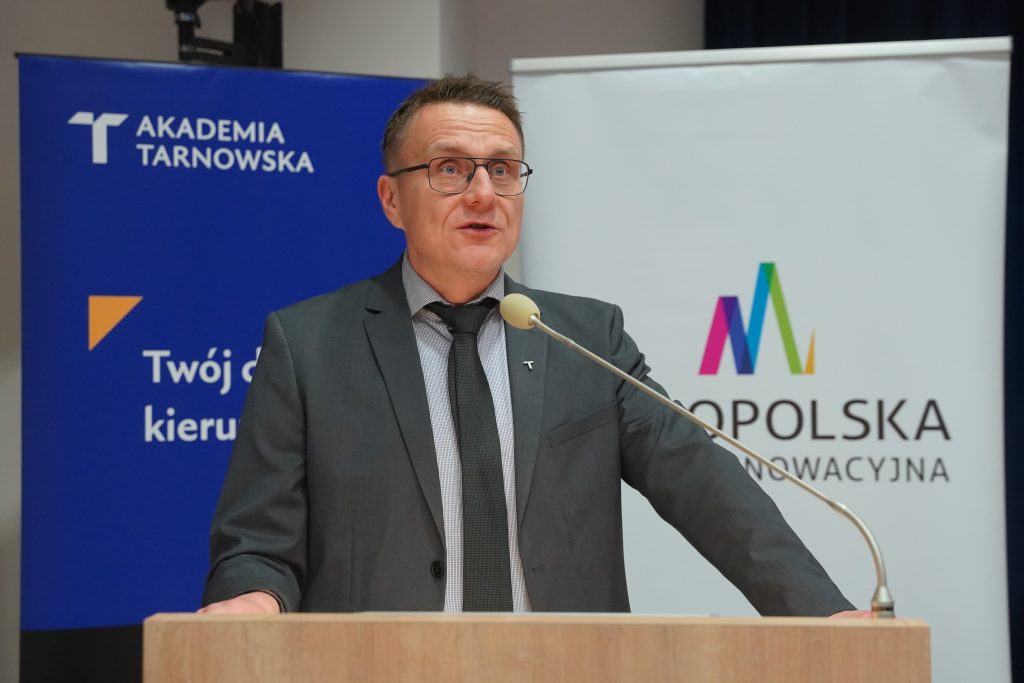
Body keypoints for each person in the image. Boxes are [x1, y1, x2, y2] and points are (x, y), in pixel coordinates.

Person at [200, 74, 856, 617]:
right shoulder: (309, 345)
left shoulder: (587, 339)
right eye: (450, 169)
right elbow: (257, 539)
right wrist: (251, 601)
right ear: (391, 199)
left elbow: (702, 485)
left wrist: (823, 614)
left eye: (503, 169)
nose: (484, 193)